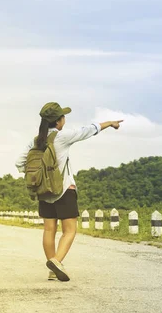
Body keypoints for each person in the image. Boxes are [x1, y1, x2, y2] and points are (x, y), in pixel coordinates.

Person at [15, 102, 123, 281]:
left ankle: (52, 268)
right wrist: (110, 123)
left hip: (44, 192)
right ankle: (56, 262)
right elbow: (88, 130)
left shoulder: (35, 141)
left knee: (49, 230)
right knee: (70, 230)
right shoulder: (62, 136)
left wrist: (40, 176)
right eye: (63, 117)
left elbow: (19, 163)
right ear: (58, 121)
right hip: (64, 190)